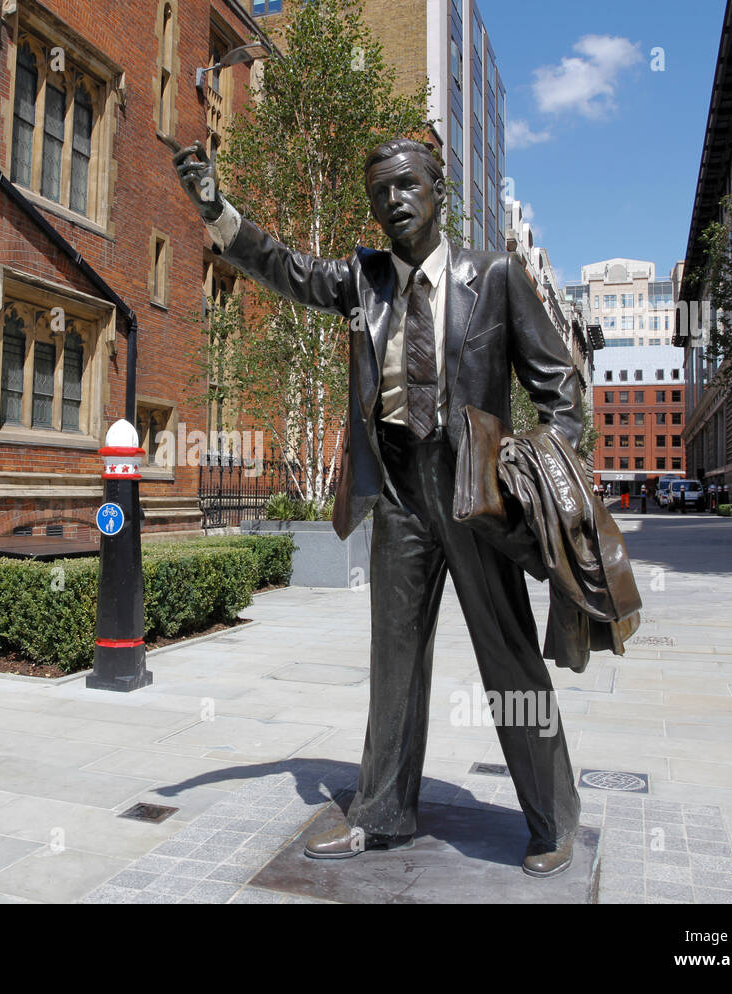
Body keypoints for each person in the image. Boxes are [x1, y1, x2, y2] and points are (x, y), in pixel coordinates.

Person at [176, 137, 582, 877]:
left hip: (476, 495)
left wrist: (540, 462)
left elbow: (560, 387)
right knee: (393, 664)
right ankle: (383, 812)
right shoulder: (363, 279)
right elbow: (283, 266)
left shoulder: (495, 276)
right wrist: (214, 207)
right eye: (380, 194)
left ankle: (554, 819)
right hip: (399, 492)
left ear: (437, 192)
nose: (394, 202)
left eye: (407, 186)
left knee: (510, 659)